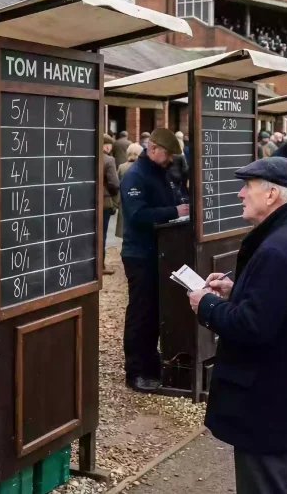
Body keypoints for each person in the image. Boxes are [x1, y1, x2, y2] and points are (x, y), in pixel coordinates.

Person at [187, 156, 287, 494]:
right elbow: (283, 306)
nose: (240, 194)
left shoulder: (278, 249)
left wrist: (206, 305)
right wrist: (236, 289)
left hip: (267, 406)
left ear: (271, 196)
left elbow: (253, 326)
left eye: (247, 187)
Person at [119, 128, 189, 393]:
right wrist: (175, 210)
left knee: (155, 312)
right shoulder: (135, 175)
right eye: (167, 154)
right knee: (140, 313)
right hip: (140, 253)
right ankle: (135, 371)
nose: (169, 159)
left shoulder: (161, 172)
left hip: (161, 251)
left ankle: (151, 363)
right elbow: (138, 214)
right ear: (154, 148)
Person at [115, 143, 142, 240]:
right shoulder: (142, 168)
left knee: (124, 229)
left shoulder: (122, 167)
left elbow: (117, 184)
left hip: (124, 201)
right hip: (138, 201)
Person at [102, 134, 121, 275]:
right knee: (102, 235)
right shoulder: (108, 160)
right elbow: (114, 184)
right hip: (104, 202)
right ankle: (100, 266)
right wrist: (115, 202)